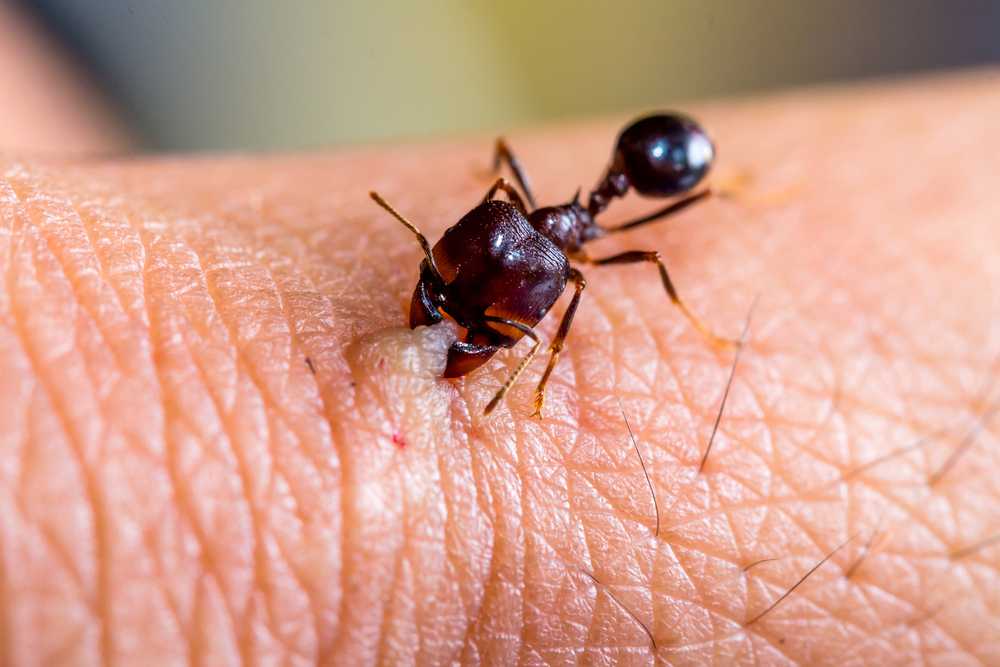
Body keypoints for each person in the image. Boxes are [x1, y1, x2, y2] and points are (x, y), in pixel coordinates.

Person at [1, 5, 998, 664]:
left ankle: (726, 182)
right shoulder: (523, 214)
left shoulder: (583, 250)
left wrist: (537, 373)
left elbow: (563, 285)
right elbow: (501, 231)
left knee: (633, 263)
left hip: (661, 157)